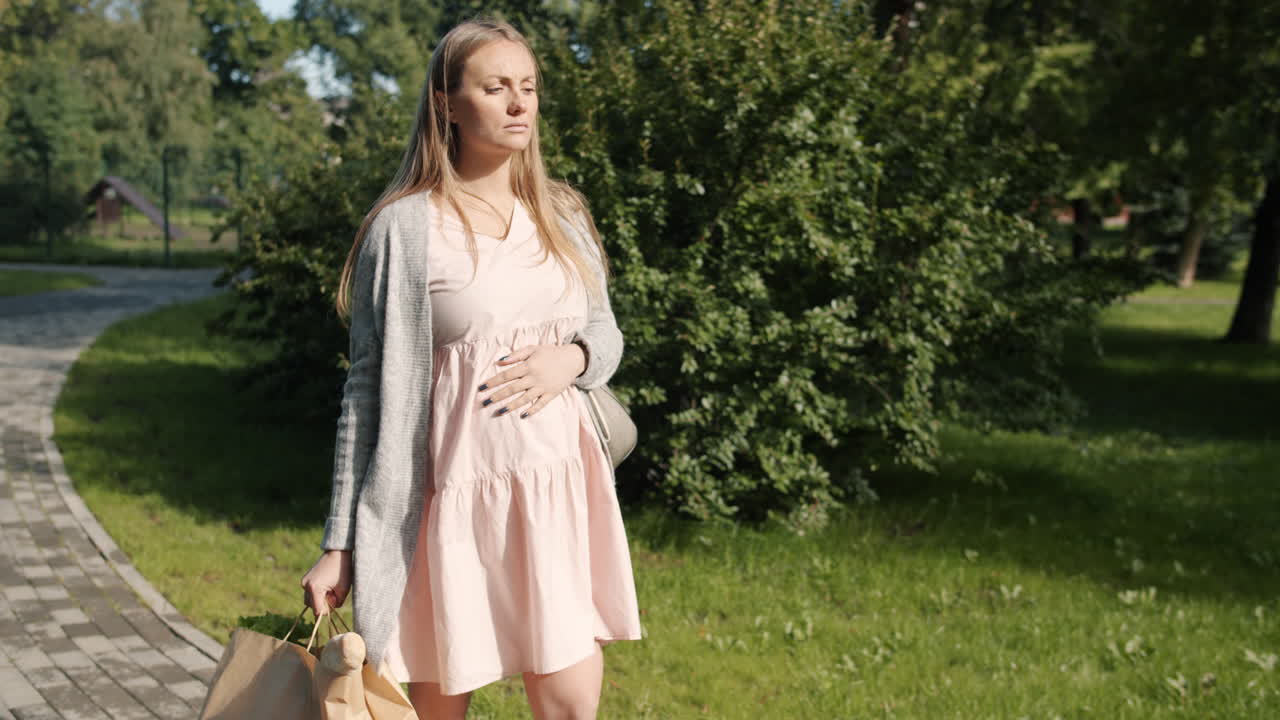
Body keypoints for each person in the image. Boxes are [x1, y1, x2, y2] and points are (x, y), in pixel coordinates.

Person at [299, 16, 644, 720]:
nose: (520, 104)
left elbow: (605, 337)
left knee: (571, 707)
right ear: (449, 103)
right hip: (442, 510)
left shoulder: (562, 212)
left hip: (557, 497)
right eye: (496, 88)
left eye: (529, 87)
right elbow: (365, 393)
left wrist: (568, 359)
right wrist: (341, 545)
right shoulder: (404, 229)